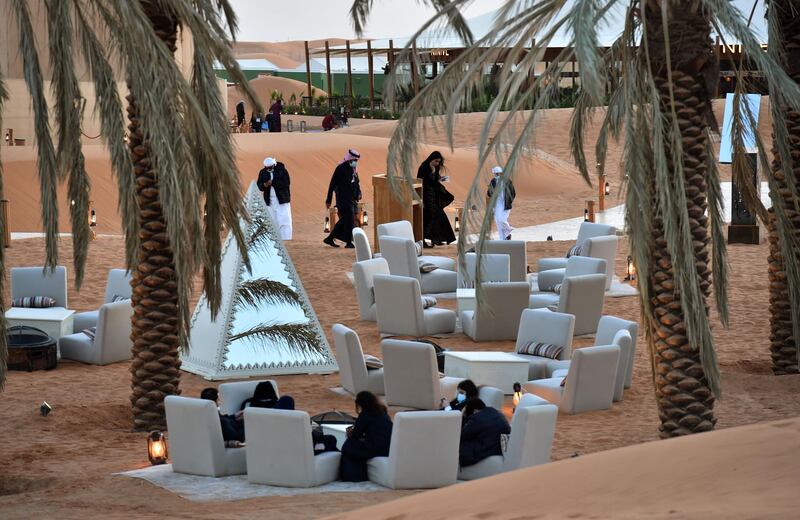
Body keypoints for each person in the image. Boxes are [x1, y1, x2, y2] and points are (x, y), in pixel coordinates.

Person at [340, 391, 393, 481]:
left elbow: (355, 435)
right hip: (389, 448)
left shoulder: (366, 414)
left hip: (376, 449)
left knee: (348, 446)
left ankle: (354, 475)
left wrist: (350, 434)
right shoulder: (383, 411)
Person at [324, 149, 362, 249]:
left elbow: (356, 183)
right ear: (349, 159)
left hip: (351, 199)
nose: (355, 162)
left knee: (346, 220)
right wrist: (328, 200)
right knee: (348, 219)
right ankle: (348, 242)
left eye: (356, 160)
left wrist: (358, 193)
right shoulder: (340, 169)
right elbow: (332, 185)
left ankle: (330, 238)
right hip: (343, 199)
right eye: (354, 160)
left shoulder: (353, 170)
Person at [417, 151, 456, 247]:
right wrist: (433, 172)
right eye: (436, 161)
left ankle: (437, 239)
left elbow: (434, 181)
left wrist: (439, 178)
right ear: (431, 159)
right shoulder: (423, 167)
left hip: (434, 196)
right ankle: (425, 240)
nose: (437, 163)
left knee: (438, 215)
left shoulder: (435, 167)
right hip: (426, 197)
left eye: (438, 162)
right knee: (428, 218)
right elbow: (423, 181)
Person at [458, 398, 511, 468]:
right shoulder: (494, 411)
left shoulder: (476, 418)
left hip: (488, 447)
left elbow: (461, 436)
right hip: (501, 447)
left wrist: (461, 415)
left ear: (475, 411)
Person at [257, 157, 293, 240]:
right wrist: (264, 185)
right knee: (272, 221)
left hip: (282, 200)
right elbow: (259, 185)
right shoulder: (262, 172)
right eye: (267, 168)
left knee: (284, 220)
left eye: (270, 167)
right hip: (269, 201)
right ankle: (274, 240)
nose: (268, 169)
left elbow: (286, 183)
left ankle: (286, 239)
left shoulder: (282, 171)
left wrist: (272, 182)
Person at [487, 166, 516, 240]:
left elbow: (513, 193)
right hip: (497, 204)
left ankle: (508, 230)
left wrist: (509, 201)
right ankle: (503, 238)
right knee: (498, 222)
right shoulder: (493, 181)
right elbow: (489, 193)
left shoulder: (507, 181)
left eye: (497, 174)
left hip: (505, 204)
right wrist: (491, 190)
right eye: (495, 174)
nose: (496, 175)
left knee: (502, 220)